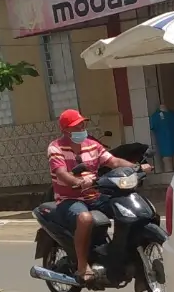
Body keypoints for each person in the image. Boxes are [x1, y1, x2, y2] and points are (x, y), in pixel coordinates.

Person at [48, 109, 148, 283]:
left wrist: (136, 167)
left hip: (94, 194)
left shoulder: (92, 145)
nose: (81, 128)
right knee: (85, 219)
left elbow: (113, 161)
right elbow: (61, 173)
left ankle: (118, 254)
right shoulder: (55, 147)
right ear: (65, 130)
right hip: (69, 199)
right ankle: (82, 265)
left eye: (82, 124)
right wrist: (77, 182)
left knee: (125, 208)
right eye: (76, 126)